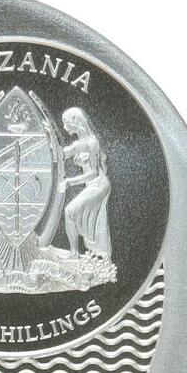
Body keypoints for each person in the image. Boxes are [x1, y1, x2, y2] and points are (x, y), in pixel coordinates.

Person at [60, 107, 112, 259]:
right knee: (74, 214)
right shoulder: (79, 143)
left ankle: (74, 254)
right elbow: (61, 154)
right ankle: (78, 253)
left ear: (75, 122)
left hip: (99, 185)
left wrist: (70, 182)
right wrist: (48, 136)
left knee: (69, 211)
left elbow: (94, 173)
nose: (64, 127)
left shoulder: (92, 143)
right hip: (92, 185)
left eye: (66, 123)